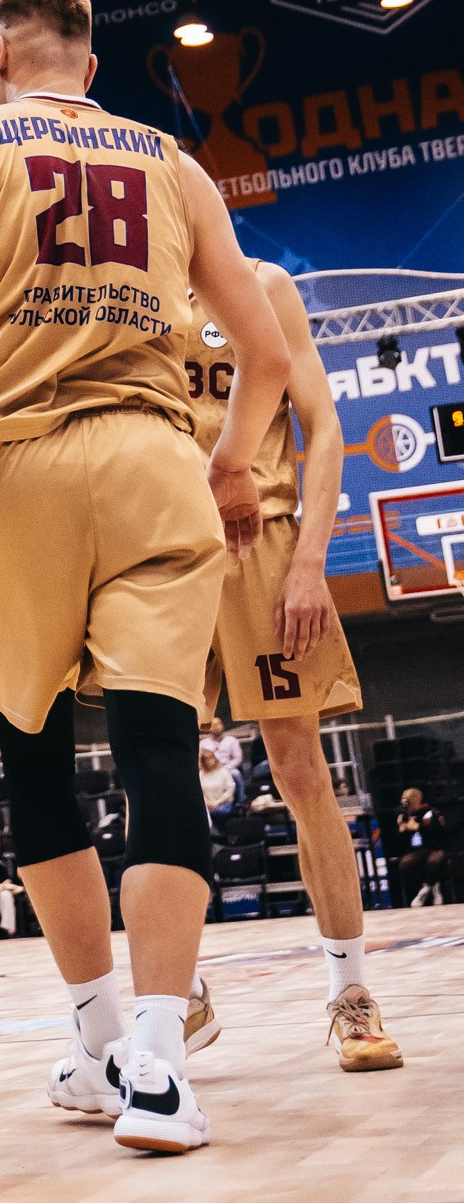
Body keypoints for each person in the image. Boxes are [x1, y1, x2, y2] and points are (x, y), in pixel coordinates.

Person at [0, 0, 285, 1158]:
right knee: (155, 751)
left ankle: (94, 1036)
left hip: (11, 467)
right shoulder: (171, 160)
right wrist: (236, 463)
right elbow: (260, 347)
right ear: (89, 67)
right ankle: (156, 1065)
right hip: (154, 459)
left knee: (36, 757)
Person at [173, 260, 401, 1072]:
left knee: (300, 771)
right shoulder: (123, 289)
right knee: (156, 776)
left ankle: (351, 995)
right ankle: (177, 997)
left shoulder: (261, 287)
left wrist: (309, 564)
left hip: (260, 539)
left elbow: (327, 428)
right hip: (159, 548)